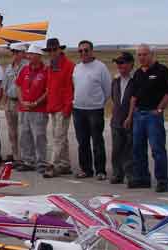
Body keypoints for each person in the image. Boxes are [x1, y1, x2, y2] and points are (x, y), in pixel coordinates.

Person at [126, 44, 168, 192]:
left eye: (144, 54)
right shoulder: (138, 73)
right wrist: (130, 116)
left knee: (157, 149)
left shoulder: (161, 70)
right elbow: (133, 97)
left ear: (151, 54)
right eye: (139, 55)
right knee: (138, 149)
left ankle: (162, 180)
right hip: (139, 115)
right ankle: (142, 178)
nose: (142, 58)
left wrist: (159, 109)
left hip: (153, 116)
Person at [72, 40, 111, 181]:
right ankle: (86, 169)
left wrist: (99, 102)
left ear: (92, 51)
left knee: (97, 141)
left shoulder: (101, 68)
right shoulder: (77, 68)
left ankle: (100, 170)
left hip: (94, 110)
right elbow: (74, 86)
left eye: (86, 50)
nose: (83, 53)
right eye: (80, 51)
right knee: (82, 142)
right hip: (78, 110)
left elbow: (107, 90)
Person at [41, 38, 75, 178]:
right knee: (60, 137)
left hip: (63, 106)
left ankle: (52, 164)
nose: (52, 53)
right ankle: (65, 164)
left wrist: (68, 106)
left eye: (55, 49)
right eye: (50, 50)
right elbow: (49, 87)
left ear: (60, 49)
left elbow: (71, 88)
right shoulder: (50, 67)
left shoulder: (69, 66)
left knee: (58, 138)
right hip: (53, 106)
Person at [16, 45, 49, 172]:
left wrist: (36, 102)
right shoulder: (24, 69)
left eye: (31, 54)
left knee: (39, 136)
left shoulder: (45, 70)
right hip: (24, 108)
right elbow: (18, 86)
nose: (28, 56)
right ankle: (28, 160)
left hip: (39, 110)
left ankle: (41, 162)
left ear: (39, 56)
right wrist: (22, 101)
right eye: (28, 54)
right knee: (25, 135)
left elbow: (48, 90)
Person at [110, 52, 135, 184]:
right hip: (116, 120)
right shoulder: (116, 80)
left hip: (130, 120)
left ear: (131, 64)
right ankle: (117, 174)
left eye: (122, 63)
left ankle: (130, 175)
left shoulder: (135, 80)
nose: (119, 65)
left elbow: (136, 100)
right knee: (116, 149)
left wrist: (130, 116)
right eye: (118, 63)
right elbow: (114, 98)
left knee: (129, 150)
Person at [2, 43, 28, 164]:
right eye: (14, 52)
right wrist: (5, 102)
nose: (15, 54)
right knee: (12, 131)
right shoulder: (9, 67)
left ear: (23, 53)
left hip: (21, 102)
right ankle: (15, 154)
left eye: (18, 52)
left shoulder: (27, 67)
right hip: (10, 102)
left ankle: (24, 156)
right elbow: (5, 86)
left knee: (23, 130)